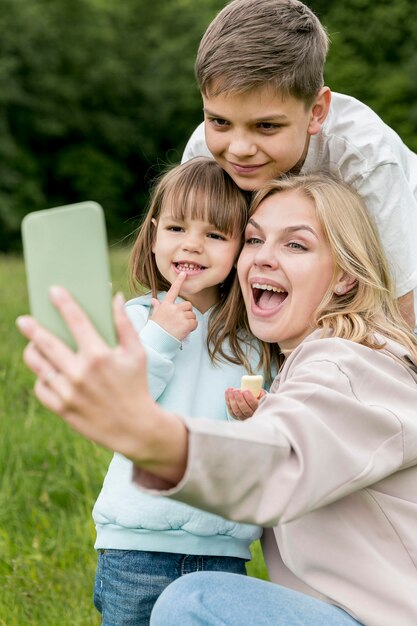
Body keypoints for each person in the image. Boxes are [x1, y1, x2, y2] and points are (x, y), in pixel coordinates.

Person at [17, 173, 417, 626]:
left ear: (346, 274)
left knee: (194, 601)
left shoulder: (350, 365)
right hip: (146, 545)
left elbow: (286, 457)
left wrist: (150, 437)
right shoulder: (297, 363)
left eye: (296, 245)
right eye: (254, 239)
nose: (263, 257)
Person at [90, 156, 276, 625]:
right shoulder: (136, 318)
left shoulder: (253, 337)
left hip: (223, 546)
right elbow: (119, 408)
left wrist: (258, 414)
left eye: (214, 235)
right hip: (136, 545)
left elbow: (270, 432)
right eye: (176, 228)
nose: (191, 245)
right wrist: (160, 336)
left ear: (240, 247)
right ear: (154, 233)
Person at [181, 0, 417, 330]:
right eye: (219, 121)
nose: (239, 149)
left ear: (316, 112)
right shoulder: (203, 153)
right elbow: (187, 258)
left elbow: (401, 304)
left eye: (266, 126)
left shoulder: (364, 158)